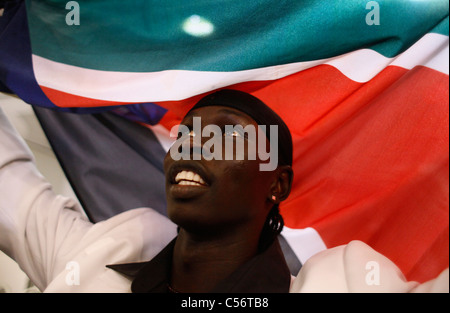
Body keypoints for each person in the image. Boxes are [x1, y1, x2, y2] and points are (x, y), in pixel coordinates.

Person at [0, 90, 448, 293]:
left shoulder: (346, 284)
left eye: (225, 137)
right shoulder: (95, 260)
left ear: (277, 183)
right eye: (185, 135)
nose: (193, 146)